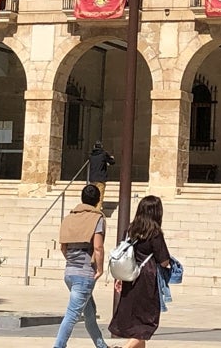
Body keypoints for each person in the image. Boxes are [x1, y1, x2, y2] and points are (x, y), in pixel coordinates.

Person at [53, 184, 112, 348]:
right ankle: (58, 346)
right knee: (72, 314)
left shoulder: (69, 217)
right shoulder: (97, 218)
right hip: (84, 273)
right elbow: (98, 247)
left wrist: (72, 261)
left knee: (90, 313)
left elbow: (63, 247)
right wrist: (99, 269)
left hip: (70, 272)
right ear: (98, 200)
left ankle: (101, 345)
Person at [109, 195, 172, 348]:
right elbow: (164, 260)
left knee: (136, 322)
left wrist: (119, 278)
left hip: (129, 276)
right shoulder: (155, 233)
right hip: (147, 279)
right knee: (146, 324)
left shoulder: (130, 230)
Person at [87, 141, 114, 209]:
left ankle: (92, 209)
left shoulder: (91, 155)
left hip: (92, 179)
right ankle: (97, 212)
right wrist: (111, 158)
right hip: (100, 178)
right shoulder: (103, 154)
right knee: (100, 197)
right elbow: (111, 162)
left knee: (93, 196)